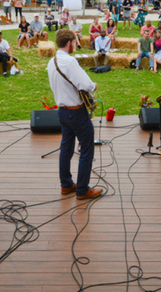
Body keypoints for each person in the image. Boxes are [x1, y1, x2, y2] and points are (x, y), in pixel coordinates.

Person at [47, 29, 103, 200]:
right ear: (70, 42)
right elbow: (86, 84)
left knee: (66, 149)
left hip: (62, 110)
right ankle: (82, 189)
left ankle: (66, 185)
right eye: (75, 42)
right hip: (76, 112)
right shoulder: (70, 62)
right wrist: (94, 85)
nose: (76, 45)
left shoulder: (52, 61)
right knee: (86, 149)